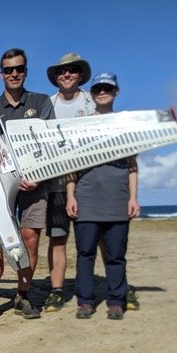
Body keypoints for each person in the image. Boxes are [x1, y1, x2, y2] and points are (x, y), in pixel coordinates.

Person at [0, 48, 55, 323]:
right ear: (1, 74)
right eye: (8, 70)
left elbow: (49, 143)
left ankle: (22, 295)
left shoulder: (41, 102)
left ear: (26, 71)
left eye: (19, 68)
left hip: (35, 182)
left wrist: (39, 176)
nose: (14, 74)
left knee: (30, 239)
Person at [66, 72, 141, 320]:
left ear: (116, 91)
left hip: (118, 202)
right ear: (92, 93)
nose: (102, 92)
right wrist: (71, 196)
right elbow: (70, 166)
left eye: (107, 88)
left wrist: (133, 198)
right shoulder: (81, 126)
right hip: (86, 201)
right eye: (97, 88)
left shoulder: (125, 126)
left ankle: (116, 301)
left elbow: (132, 166)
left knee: (115, 256)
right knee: (85, 255)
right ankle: (85, 302)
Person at [43, 53, 95, 312]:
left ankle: (103, 287)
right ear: (55, 77)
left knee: (94, 241)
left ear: (80, 74)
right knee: (58, 239)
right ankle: (56, 291)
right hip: (57, 186)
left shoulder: (92, 102)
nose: (66, 74)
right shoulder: (47, 105)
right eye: (62, 71)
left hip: (89, 184)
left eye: (72, 70)